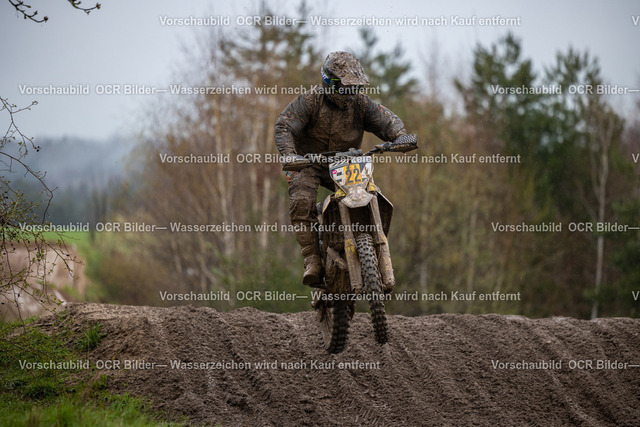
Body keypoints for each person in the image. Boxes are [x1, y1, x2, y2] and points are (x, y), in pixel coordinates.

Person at [274, 51, 409, 287]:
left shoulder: (361, 104)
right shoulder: (310, 101)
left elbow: (386, 119)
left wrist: (400, 136)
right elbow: (285, 126)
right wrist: (290, 155)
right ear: (330, 82)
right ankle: (312, 260)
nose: (351, 93)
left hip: (347, 163)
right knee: (301, 202)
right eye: (346, 88)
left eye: (355, 88)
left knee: (372, 195)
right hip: (307, 164)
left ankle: (373, 249)